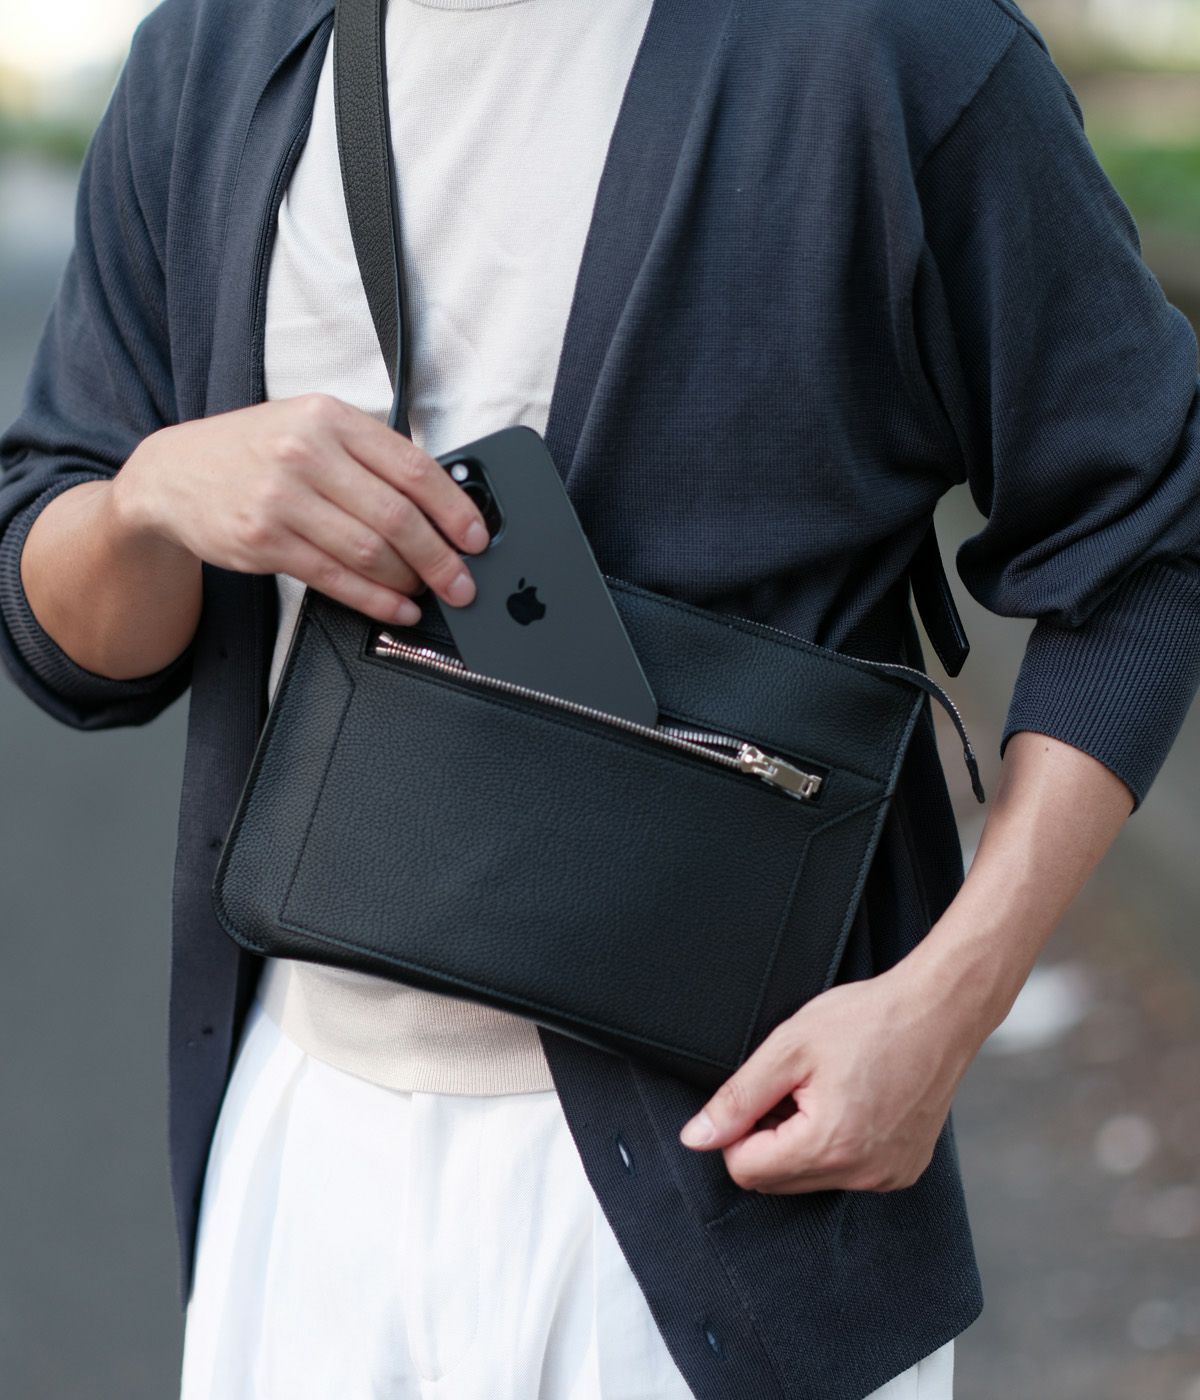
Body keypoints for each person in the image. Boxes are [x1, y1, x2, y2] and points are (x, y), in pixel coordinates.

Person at [2, 0, 1199, 1394]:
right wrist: (150, 499)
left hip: (733, 1174)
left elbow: (1146, 533)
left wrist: (949, 1001)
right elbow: (73, 641)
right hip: (301, 1146)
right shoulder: (210, 53)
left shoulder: (885, 47)